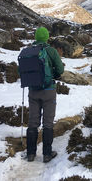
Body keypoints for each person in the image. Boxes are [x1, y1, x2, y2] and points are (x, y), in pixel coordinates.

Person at [26, 27, 64, 163]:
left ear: (36, 37)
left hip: (33, 91)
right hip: (48, 91)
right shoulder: (51, 51)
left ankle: (30, 153)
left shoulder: (28, 51)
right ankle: (47, 154)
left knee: (33, 121)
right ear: (47, 37)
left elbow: (21, 70)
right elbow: (60, 69)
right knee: (48, 122)